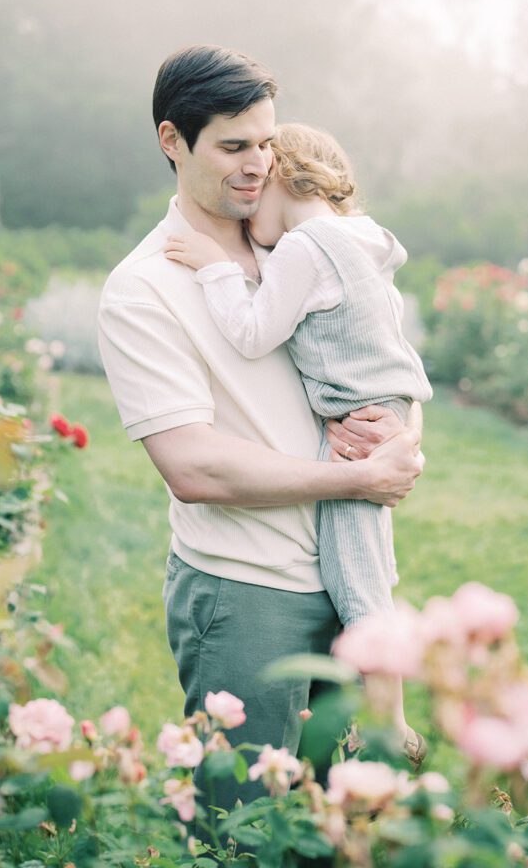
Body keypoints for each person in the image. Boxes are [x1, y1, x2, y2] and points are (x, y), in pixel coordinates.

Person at [97, 45, 425, 812]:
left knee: (339, 826)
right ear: (172, 141)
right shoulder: (143, 289)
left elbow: (379, 357)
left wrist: (401, 440)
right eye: (232, 146)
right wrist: (358, 477)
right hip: (247, 594)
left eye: (266, 144)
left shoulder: (306, 250)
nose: (256, 166)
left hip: (345, 577)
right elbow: (194, 468)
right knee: (242, 827)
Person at [163, 121, 432, 759]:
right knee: (369, 569)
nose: (251, 211)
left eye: (258, 193)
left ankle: (391, 725)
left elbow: (255, 331)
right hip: (381, 413)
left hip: (357, 432)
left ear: (281, 172)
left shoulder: (307, 248)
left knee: (360, 580)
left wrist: (216, 268)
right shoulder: (364, 241)